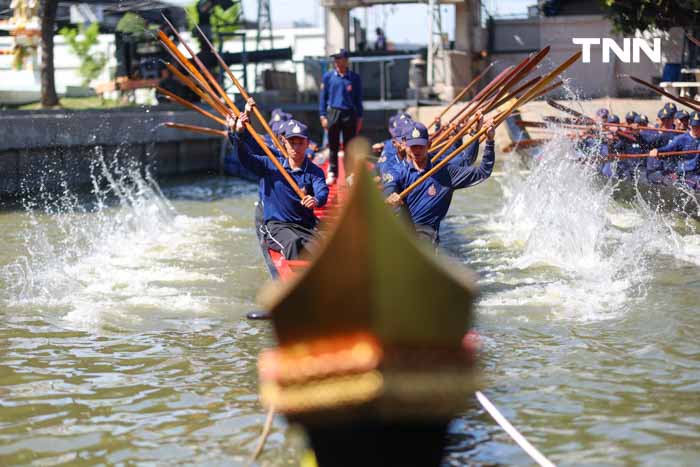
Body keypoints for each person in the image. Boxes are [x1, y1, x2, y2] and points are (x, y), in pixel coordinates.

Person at [228, 110, 329, 260]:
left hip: (305, 225)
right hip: (278, 225)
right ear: (283, 142)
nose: (296, 147)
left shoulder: (315, 171)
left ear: (308, 143)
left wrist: (316, 200)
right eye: (292, 142)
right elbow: (245, 159)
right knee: (294, 244)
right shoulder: (270, 164)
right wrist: (237, 133)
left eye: (300, 143)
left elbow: (322, 191)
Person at [384, 120, 496, 247]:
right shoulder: (397, 171)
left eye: (421, 146)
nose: (417, 150)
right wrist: (390, 198)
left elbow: (482, 171)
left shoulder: (446, 171)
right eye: (413, 146)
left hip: (426, 232)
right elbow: (389, 188)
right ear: (405, 145)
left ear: (429, 144)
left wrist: (489, 141)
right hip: (401, 229)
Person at [319, 48, 364, 185]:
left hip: (349, 113)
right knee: (333, 144)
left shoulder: (354, 78)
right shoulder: (328, 77)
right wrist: (322, 115)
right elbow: (323, 97)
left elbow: (358, 99)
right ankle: (333, 172)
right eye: (335, 59)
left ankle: (350, 173)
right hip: (333, 112)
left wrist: (360, 117)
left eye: (339, 58)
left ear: (345, 60)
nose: (336, 61)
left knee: (349, 146)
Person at [649, 110, 700, 187]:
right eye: (694, 126)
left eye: (699, 127)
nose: (696, 129)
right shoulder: (681, 139)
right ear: (690, 125)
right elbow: (667, 149)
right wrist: (657, 151)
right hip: (686, 174)